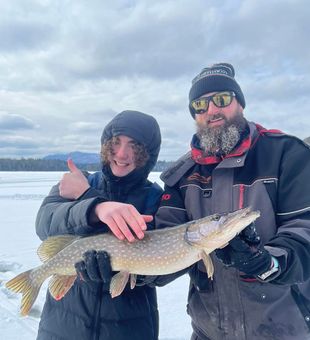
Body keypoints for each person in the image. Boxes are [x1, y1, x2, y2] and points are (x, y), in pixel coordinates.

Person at [150, 63, 310, 340]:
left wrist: (267, 262)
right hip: (209, 332)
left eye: (221, 99)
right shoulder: (181, 176)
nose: (212, 110)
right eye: (200, 105)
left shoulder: (286, 154)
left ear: (240, 103)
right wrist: (134, 271)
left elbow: (304, 227)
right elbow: (165, 245)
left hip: (285, 330)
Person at [35, 110, 163, 340]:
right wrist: (94, 208)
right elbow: (45, 223)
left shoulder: (156, 198)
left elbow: (159, 265)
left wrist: (86, 195)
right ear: (106, 144)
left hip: (129, 329)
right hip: (64, 326)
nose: (122, 154)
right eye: (116, 142)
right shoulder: (78, 180)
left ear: (148, 153)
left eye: (134, 145)